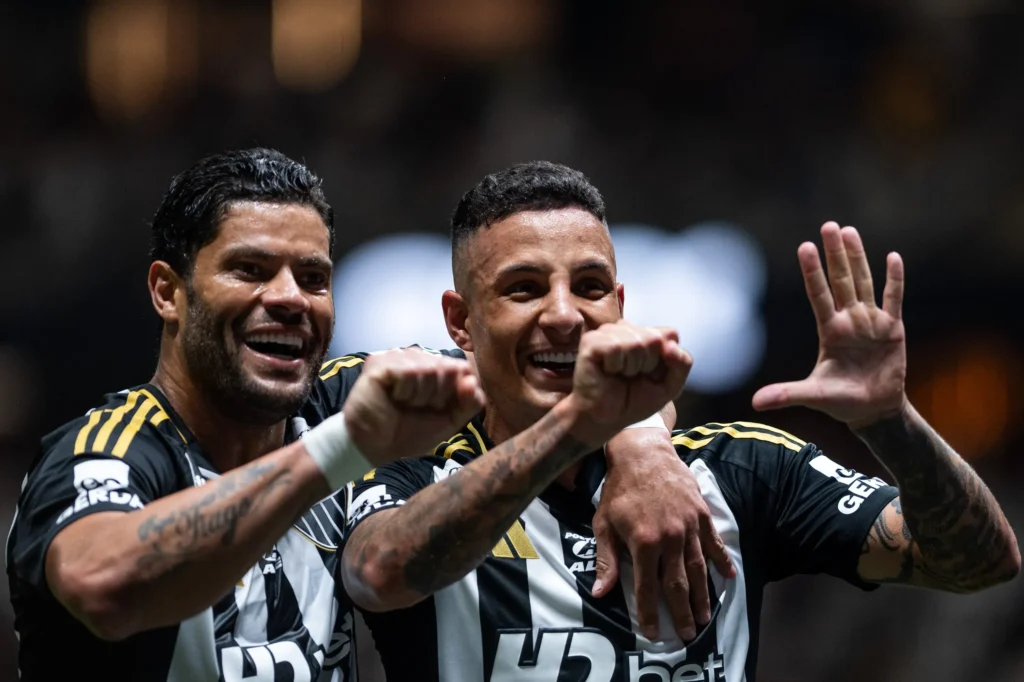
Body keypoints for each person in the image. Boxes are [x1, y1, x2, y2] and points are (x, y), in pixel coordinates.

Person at [5, 149, 731, 681]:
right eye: (249, 270)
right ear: (169, 291)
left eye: (313, 277)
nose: (289, 298)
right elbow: (102, 585)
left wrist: (642, 448)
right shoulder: (112, 448)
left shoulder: (342, 397)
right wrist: (339, 450)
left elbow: (559, 376)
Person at [339, 161, 1021, 680]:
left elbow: (981, 563)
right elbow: (379, 574)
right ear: (460, 320)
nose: (564, 313)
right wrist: (603, 427)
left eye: (590, 286)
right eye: (524, 288)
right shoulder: (413, 466)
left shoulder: (740, 469)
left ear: (620, 304)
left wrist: (891, 421)